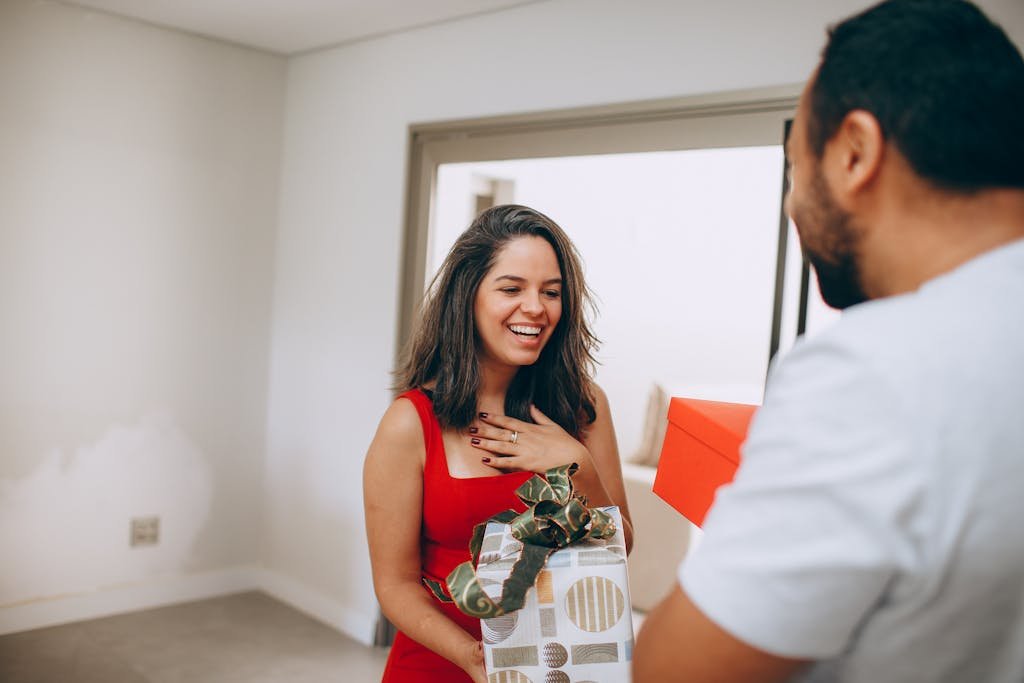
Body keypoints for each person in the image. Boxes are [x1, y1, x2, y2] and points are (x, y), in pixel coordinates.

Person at [633, 0, 1024, 681]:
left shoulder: (873, 370)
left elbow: (675, 671)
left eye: (794, 168)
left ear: (854, 152)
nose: (791, 204)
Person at [364, 204, 633, 682]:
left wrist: (577, 463)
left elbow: (621, 544)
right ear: (467, 297)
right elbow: (395, 584)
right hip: (439, 665)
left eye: (551, 292)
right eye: (511, 288)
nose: (536, 307)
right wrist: (471, 655)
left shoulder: (585, 407)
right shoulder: (410, 423)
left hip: (556, 665)